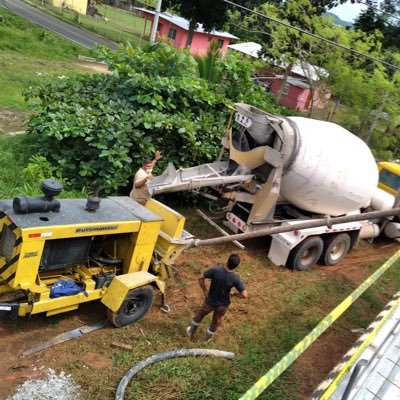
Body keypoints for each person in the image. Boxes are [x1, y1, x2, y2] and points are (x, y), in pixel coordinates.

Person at [186, 254, 248, 343]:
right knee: (216, 321)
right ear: (236, 266)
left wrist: (204, 290)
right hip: (222, 305)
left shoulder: (216, 270)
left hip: (210, 301)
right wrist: (234, 294)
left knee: (200, 314)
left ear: (227, 261)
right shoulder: (235, 278)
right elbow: (245, 295)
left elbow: (200, 278)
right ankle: (206, 340)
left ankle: (190, 332)